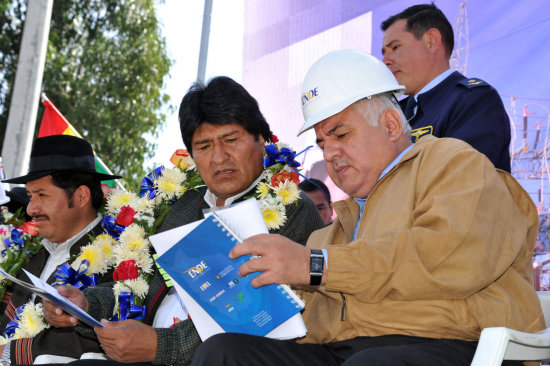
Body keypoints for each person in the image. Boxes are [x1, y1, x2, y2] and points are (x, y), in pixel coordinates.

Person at [190, 50, 544, 366]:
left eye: (341, 135)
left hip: (454, 343)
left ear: (390, 124)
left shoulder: (453, 164)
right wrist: (254, 298)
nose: (329, 153)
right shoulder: (333, 229)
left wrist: (314, 265)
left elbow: (450, 256)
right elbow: (316, 316)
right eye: (322, 143)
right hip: (349, 351)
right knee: (223, 353)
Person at [42, 76, 324, 366]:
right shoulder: (180, 207)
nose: (218, 157)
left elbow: (258, 315)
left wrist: (161, 345)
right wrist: (84, 303)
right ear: (191, 155)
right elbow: (137, 285)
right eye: (203, 147)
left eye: (231, 140)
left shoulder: (291, 209)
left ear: (261, 140)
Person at [0, 135, 121, 364]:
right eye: (30, 196)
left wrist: (7, 353)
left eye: (42, 195)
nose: (31, 208)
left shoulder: (119, 260)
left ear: (81, 196)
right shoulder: (32, 253)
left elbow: (89, 339)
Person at [381, 4, 511, 172]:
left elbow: (462, 179)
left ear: (431, 41)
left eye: (395, 47)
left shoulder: (474, 100)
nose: (386, 61)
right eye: (384, 52)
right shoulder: (395, 112)